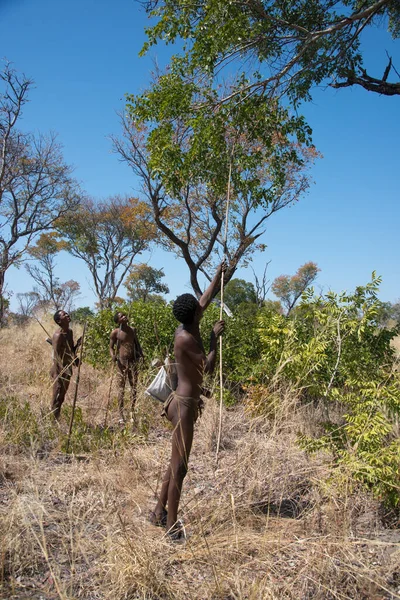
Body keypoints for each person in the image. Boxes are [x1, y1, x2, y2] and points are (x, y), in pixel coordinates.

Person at [150, 262, 226, 539]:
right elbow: (206, 369)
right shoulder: (187, 338)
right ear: (195, 314)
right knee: (180, 467)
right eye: (199, 306)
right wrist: (214, 341)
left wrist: (218, 274)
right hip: (182, 406)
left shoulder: (188, 323)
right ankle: (171, 526)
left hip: (183, 402)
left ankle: (158, 511)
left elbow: (205, 299)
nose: (202, 306)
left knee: (175, 462)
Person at [109, 311, 144, 423]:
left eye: (125, 315)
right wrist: (113, 356)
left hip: (133, 362)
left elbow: (137, 344)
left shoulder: (132, 330)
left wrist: (141, 355)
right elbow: (110, 347)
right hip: (121, 363)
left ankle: (132, 412)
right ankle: (121, 414)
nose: (125, 317)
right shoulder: (115, 333)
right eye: (121, 316)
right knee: (121, 388)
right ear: (118, 321)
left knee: (134, 387)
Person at [50, 310, 81, 420]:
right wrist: (62, 370)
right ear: (59, 321)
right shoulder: (58, 336)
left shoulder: (69, 332)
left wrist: (77, 346)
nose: (67, 315)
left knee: (62, 397)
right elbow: (56, 356)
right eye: (64, 315)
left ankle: (56, 418)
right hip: (59, 370)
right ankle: (52, 421)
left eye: (67, 313)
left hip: (67, 368)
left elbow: (70, 351)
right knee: (56, 396)